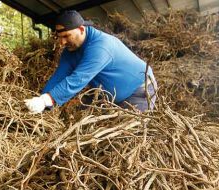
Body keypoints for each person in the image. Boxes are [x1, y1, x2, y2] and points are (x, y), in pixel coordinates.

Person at [24, 10, 157, 114]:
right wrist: (41, 100)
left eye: (66, 36)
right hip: (108, 94)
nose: (62, 42)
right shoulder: (71, 50)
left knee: (125, 138)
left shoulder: (101, 46)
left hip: (140, 91)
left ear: (81, 29)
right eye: (59, 37)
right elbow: (59, 76)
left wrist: (47, 100)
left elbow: (78, 79)